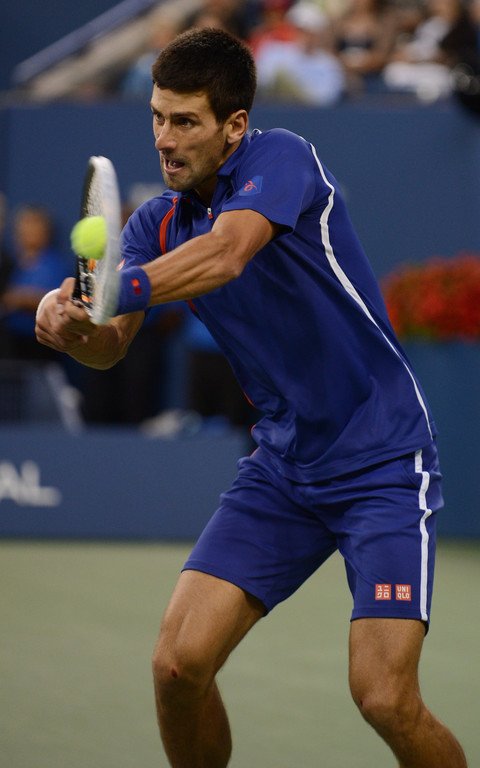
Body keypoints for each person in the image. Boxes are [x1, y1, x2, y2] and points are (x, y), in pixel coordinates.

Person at [35, 27, 467, 768]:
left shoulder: (282, 158)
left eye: (185, 122)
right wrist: (73, 327)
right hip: (284, 468)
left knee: (384, 696)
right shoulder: (154, 223)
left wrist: (115, 287)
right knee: (177, 667)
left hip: (383, 459)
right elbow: (110, 346)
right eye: (157, 118)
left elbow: (227, 253)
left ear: (234, 125)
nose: (164, 140)